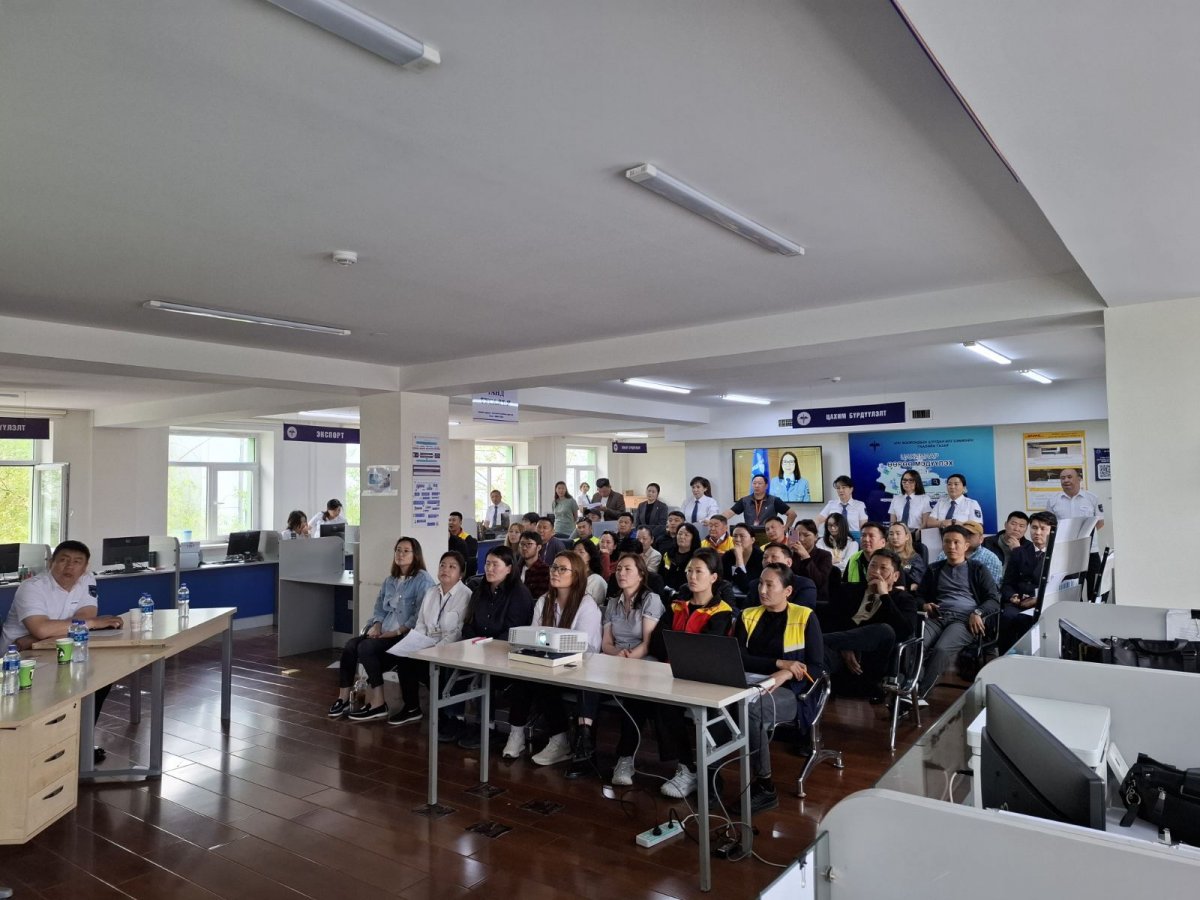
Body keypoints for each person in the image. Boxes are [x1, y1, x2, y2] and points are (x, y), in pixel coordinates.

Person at [2, 540, 124, 763]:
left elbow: (85, 616)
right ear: (51, 562)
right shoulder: (32, 587)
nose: (69, 567)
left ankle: (79, 743)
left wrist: (43, 635)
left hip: (52, 647)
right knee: (55, 690)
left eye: (77, 562)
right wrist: (91, 624)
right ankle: (46, 750)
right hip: (19, 659)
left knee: (99, 680)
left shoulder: (87, 579)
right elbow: (43, 628)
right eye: (63, 560)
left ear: (85, 567)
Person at [730, 562, 824, 812]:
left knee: (751, 709)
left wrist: (786, 674)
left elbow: (816, 667)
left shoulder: (804, 616)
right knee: (715, 702)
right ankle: (707, 773)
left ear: (787, 591)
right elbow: (739, 657)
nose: (762, 590)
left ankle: (765, 785)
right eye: (760, 583)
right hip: (749, 682)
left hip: (793, 692)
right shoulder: (748, 615)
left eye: (770, 585)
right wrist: (779, 664)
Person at [503, 552, 604, 778]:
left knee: (546, 680)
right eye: (554, 568)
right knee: (524, 674)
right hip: (549, 662)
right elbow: (533, 636)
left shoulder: (586, 605)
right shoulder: (544, 600)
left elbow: (587, 647)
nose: (555, 573)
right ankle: (517, 732)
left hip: (579, 666)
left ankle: (562, 740)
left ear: (576, 575)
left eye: (562, 569)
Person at [653, 548, 735, 799]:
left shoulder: (721, 611)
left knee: (709, 713)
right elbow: (658, 642)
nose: (692, 576)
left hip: (707, 678)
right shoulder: (677, 606)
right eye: (689, 571)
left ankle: (709, 772)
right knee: (661, 704)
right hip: (674, 674)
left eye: (699, 571)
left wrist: (677, 644)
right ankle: (686, 767)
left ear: (713, 577)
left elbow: (707, 649)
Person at [329, 537, 435, 722]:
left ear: (415, 555)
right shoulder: (390, 580)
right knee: (350, 646)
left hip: (403, 635)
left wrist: (396, 632)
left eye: (406, 551)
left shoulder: (423, 580)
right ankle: (343, 698)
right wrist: (377, 624)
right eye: (398, 550)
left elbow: (419, 615)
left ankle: (378, 702)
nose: (400, 554)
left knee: (366, 648)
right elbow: (379, 608)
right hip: (383, 632)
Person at [601, 553, 668, 786]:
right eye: (619, 569)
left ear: (641, 574)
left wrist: (629, 658)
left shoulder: (651, 599)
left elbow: (648, 643)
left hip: (644, 660)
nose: (621, 573)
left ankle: (625, 758)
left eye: (627, 569)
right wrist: (616, 654)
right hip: (617, 659)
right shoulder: (612, 602)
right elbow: (606, 643)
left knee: (634, 697)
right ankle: (581, 745)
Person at [389, 551, 472, 726]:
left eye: (452, 567)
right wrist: (416, 642)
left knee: (434, 668)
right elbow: (421, 623)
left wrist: (434, 649)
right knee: (404, 658)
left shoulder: (466, 595)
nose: (445, 570)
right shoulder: (431, 592)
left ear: (461, 574)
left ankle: (445, 715)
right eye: (442, 565)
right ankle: (411, 708)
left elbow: (458, 632)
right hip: (426, 645)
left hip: (449, 649)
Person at [916, 525, 1001, 697]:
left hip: (965, 620)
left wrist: (978, 612)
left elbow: (994, 599)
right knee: (917, 644)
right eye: (947, 542)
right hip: (937, 616)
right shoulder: (934, 569)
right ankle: (910, 686)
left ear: (966, 546)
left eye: (956, 542)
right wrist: (924, 605)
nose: (951, 546)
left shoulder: (977, 569)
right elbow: (918, 596)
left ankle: (920, 694)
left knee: (941, 650)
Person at [998, 510, 1057, 653]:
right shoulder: (1020, 551)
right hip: (1019, 602)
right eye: (1034, 528)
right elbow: (1008, 583)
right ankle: (1006, 658)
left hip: (1044, 603)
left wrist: (1038, 599)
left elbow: (1061, 587)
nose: (1037, 532)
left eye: (1043, 528)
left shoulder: (1057, 553)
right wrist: (1012, 596)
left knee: (1031, 620)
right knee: (1007, 616)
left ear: (1052, 531)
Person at [933, 520, 1003, 588]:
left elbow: (992, 588)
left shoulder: (990, 558)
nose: (967, 537)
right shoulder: (944, 554)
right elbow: (934, 579)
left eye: (971, 534)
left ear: (981, 539)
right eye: (964, 534)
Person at [725, 474, 795, 531]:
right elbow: (729, 513)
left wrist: (785, 530)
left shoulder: (774, 500)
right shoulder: (745, 500)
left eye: (760, 483)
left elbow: (792, 514)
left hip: (768, 534)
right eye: (754, 483)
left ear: (766, 486)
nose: (756, 486)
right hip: (750, 535)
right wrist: (719, 521)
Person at [789, 519, 835, 604]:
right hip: (792, 597)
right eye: (798, 535)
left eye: (806, 535)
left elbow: (819, 582)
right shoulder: (790, 555)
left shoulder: (825, 555)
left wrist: (806, 556)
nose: (801, 539)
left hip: (815, 599)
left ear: (816, 537)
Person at [818, 476, 868, 540]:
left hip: (854, 538)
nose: (840, 490)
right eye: (838, 488)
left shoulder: (860, 505)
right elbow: (818, 520)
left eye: (843, 487)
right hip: (835, 538)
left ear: (851, 489)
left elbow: (863, 526)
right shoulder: (831, 504)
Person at [661, 522, 701, 596]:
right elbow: (660, 575)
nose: (682, 537)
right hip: (665, 593)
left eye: (686, 535)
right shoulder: (667, 554)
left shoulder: (697, 558)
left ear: (693, 538)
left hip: (688, 595)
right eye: (679, 534)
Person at [724, 523, 763, 598]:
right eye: (735, 536)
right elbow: (725, 582)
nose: (737, 539)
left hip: (750, 598)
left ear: (752, 540)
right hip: (729, 597)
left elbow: (746, 587)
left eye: (742, 536)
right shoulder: (728, 556)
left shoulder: (760, 557)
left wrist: (739, 558)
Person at [886, 522, 927, 591]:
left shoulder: (914, 558)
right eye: (891, 534)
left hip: (904, 592)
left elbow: (916, 583)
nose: (894, 537)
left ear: (907, 537)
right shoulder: (884, 555)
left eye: (898, 533)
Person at [571, 538, 609, 605]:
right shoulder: (568, 576)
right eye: (574, 552)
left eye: (581, 552)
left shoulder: (596, 580)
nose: (576, 555)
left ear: (590, 556)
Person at [515, 530, 550, 599]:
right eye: (522, 544)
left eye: (529, 544)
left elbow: (539, 599)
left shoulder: (545, 571)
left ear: (538, 547)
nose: (524, 548)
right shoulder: (515, 568)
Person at [447, 511, 479, 578]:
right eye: (449, 520)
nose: (450, 522)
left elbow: (467, 561)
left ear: (460, 522)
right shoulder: (445, 538)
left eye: (454, 520)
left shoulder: (469, 540)